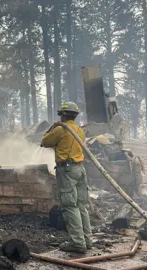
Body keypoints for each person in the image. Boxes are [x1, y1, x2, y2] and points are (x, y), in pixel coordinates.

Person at [41, 101, 92, 254]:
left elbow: (44, 142)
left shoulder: (61, 130)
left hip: (67, 171)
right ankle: (87, 240)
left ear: (63, 114)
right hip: (80, 169)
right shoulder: (79, 130)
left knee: (70, 206)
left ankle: (78, 243)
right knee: (82, 206)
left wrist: (53, 127)